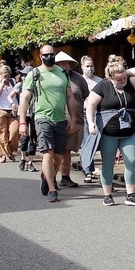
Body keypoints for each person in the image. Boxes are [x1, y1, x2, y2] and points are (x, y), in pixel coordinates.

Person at [19, 44, 79, 203]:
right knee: (48, 152)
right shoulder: (35, 74)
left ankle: (48, 176)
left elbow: (70, 97)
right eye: (45, 55)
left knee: (59, 156)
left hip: (60, 119)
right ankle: (52, 189)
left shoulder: (62, 73)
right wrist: (22, 122)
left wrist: (73, 119)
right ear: (40, 56)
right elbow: (24, 98)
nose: (49, 57)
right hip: (42, 117)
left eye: (51, 54)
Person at [84, 55, 135, 207]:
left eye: (124, 78)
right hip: (108, 133)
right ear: (110, 78)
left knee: (131, 160)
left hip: (128, 131)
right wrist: (91, 123)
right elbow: (91, 105)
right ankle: (107, 195)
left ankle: (130, 194)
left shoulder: (130, 84)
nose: (122, 82)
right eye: (119, 80)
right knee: (108, 163)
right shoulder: (102, 86)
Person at [55, 51, 88, 188]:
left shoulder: (78, 78)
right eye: (61, 63)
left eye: (66, 63)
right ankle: (49, 177)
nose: (64, 65)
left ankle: (65, 177)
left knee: (67, 150)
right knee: (56, 151)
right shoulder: (52, 77)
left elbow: (85, 95)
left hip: (76, 119)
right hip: (57, 118)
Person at [0, 64, 19, 163]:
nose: (7, 77)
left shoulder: (13, 82)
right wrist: (1, 86)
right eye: (4, 75)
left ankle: (8, 151)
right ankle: (3, 154)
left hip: (12, 112)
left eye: (8, 75)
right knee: (1, 135)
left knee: (15, 132)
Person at [10, 65, 38, 172]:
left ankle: (30, 162)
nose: (23, 77)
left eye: (26, 75)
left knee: (33, 138)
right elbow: (10, 96)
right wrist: (13, 104)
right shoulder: (20, 85)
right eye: (22, 75)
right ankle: (22, 159)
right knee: (24, 137)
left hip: (35, 113)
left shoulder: (36, 85)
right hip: (24, 113)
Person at [80, 55, 103, 182]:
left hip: (97, 114)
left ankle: (90, 168)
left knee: (96, 142)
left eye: (91, 66)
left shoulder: (99, 81)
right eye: (87, 66)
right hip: (83, 114)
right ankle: (88, 170)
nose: (90, 68)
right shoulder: (79, 80)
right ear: (82, 67)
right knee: (86, 143)